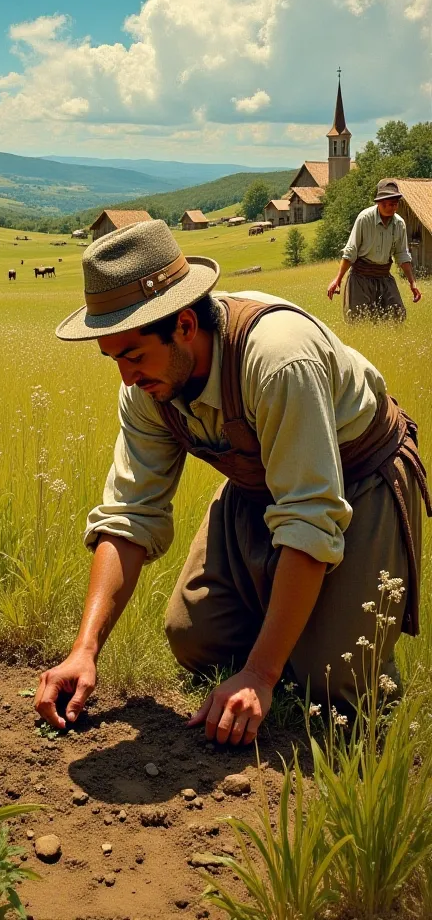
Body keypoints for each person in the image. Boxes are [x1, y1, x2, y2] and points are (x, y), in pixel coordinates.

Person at [35, 219, 429, 746]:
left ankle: (301, 650)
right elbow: (129, 514)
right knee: (193, 640)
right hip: (257, 487)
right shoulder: (147, 387)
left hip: (358, 481)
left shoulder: (278, 358)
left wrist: (262, 676)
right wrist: (85, 650)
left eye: (132, 355)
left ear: (184, 328)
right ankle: (289, 636)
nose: (126, 378)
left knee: (334, 683)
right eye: (113, 359)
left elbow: (311, 513)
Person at [327, 179, 422, 321]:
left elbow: (402, 255)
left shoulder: (399, 224)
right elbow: (351, 251)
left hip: (383, 276)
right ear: (380, 203)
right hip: (360, 278)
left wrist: (412, 282)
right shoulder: (364, 219)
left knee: (397, 315)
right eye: (390, 204)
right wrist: (337, 279)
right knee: (358, 319)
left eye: (396, 204)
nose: (393, 208)